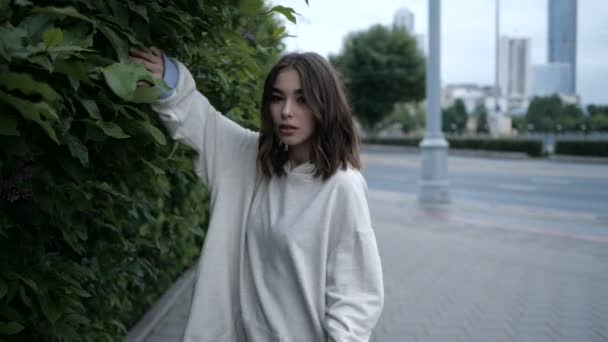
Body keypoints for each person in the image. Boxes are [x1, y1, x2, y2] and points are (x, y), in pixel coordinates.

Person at [128, 47, 384, 342]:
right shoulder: (254, 161)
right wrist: (166, 78)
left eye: (302, 99)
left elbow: (355, 297)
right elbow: (204, 122)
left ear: (324, 105)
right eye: (278, 98)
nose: (287, 110)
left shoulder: (342, 185)